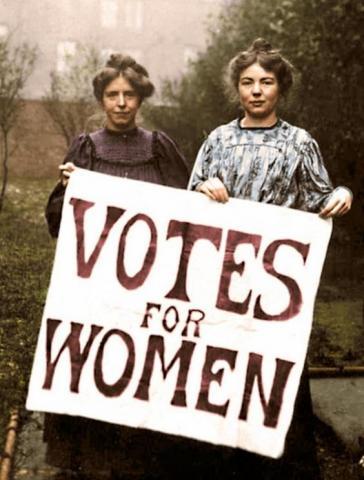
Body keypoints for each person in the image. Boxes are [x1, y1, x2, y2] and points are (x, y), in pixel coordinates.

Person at [188, 38, 352, 479]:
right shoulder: (218, 140)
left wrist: (342, 193)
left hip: (275, 291)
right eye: (247, 82)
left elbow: (323, 196)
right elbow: (185, 209)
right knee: (221, 375)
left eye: (266, 82)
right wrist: (203, 190)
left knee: (276, 381)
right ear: (236, 89)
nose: (256, 91)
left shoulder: (300, 143)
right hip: (222, 286)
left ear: (281, 87)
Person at [44, 53, 189, 480]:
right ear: (100, 99)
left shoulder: (160, 148)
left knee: (145, 374)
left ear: (141, 99)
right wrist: (69, 192)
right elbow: (56, 224)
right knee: (97, 369)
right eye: (112, 95)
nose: (121, 103)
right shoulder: (84, 150)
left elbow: (192, 216)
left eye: (129, 95)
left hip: (150, 290)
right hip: (97, 293)